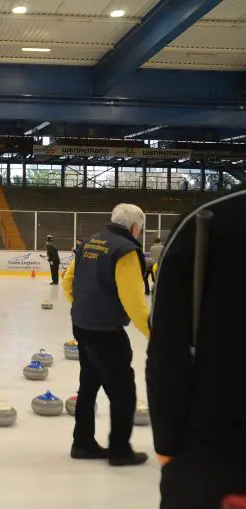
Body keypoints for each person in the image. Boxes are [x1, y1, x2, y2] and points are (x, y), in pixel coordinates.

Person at [147, 188, 246, 509]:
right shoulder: (202, 225)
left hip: (214, 457)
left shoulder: (210, 220)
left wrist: (168, 446)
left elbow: (167, 353)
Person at [61, 203, 150, 466]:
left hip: (82, 326)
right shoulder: (126, 251)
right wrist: (153, 334)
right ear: (134, 227)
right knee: (123, 391)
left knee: (88, 386)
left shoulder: (89, 243)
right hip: (107, 332)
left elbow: (68, 282)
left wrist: (84, 308)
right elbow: (134, 302)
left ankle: (83, 442)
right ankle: (120, 450)